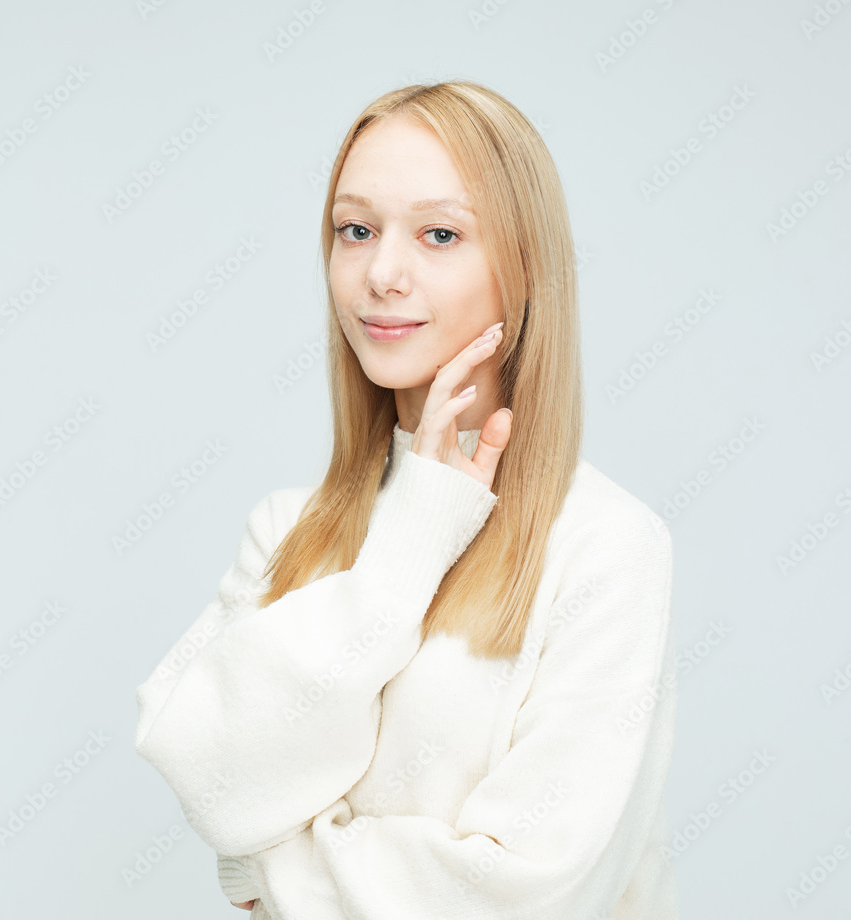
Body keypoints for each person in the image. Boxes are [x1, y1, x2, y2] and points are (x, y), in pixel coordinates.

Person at [135, 80, 678, 919]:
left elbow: (524, 896)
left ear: (525, 267)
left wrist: (264, 865)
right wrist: (411, 544)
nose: (381, 274)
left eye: (440, 234)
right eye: (355, 230)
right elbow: (211, 781)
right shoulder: (287, 530)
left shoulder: (607, 546)